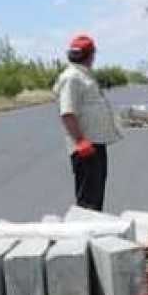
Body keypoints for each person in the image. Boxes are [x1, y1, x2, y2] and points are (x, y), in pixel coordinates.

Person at [57, 34, 122, 211]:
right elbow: (67, 113)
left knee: (96, 195)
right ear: (90, 55)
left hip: (95, 144)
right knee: (88, 200)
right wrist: (80, 141)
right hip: (85, 146)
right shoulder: (72, 77)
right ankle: (85, 236)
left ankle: (93, 234)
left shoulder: (82, 75)